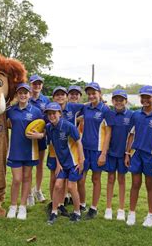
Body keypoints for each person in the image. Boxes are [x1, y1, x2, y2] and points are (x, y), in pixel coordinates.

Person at [125, 85, 152, 227]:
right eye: (143, 97)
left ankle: (150, 215)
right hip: (136, 154)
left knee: (150, 186)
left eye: (148, 97)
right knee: (135, 184)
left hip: (151, 156)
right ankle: (131, 213)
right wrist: (127, 153)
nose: (145, 100)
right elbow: (131, 135)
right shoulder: (135, 115)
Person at [6, 83, 44, 220]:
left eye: (25, 93)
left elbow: (45, 128)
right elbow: (3, 122)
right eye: (20, 93)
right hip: (15, 150)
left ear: (29, 94)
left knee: (27, 178)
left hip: (30, 150)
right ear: (17, 94)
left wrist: (40, 135)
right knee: (16, 179)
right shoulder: (10, 110)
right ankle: (13, 206)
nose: (23, 95)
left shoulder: (36, 111)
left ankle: (22, 207)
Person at [46, 86, 84, 216]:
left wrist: (81, 159)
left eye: (62, 94)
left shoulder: (73, 108)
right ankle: (55, 205)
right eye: (57, 95)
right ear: (53, 97)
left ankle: (72, 206)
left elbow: (88, 107)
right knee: (55, 178)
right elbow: (44, 130)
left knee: (71, 183)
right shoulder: (49, 115)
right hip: (56, 148)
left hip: (70, 151)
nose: (60, 97)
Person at [80, 82, 113, 219]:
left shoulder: (105, 110)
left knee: (95, 178)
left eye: (94, 93)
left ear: (100, 93)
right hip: (84, 148)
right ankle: (82, 203)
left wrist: (103, 154)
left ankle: (93, 208)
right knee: (80, 179)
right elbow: (78, 119)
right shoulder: (86, 108)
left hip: (98, 150)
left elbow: (109, 133)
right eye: (89, 94)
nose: (91, 96)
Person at [103, 90, 133, 221]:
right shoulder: (109, 114)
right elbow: (108, 134)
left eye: (121, 100)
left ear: (126, 101)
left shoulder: (131, 115)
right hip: (111, 153)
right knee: (110, 179)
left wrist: (127, 153)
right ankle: (108, 208)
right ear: (112, 101)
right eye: (116, 100)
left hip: (123, 153)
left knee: (121, 180)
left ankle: (121, 209)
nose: (119, 102)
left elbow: (131, 136)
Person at [28, 74, 51, 205]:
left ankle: (37, 189)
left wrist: (42, 134)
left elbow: (49, 120)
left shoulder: (45, 100)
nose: (37, 86)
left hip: (41, 137)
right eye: (34, 83)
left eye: (39, 83)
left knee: (39, 165)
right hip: (28, 138)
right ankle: (29, 193)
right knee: (29, 166)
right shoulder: (25, 97)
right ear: (30, 84)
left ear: (41, 85)